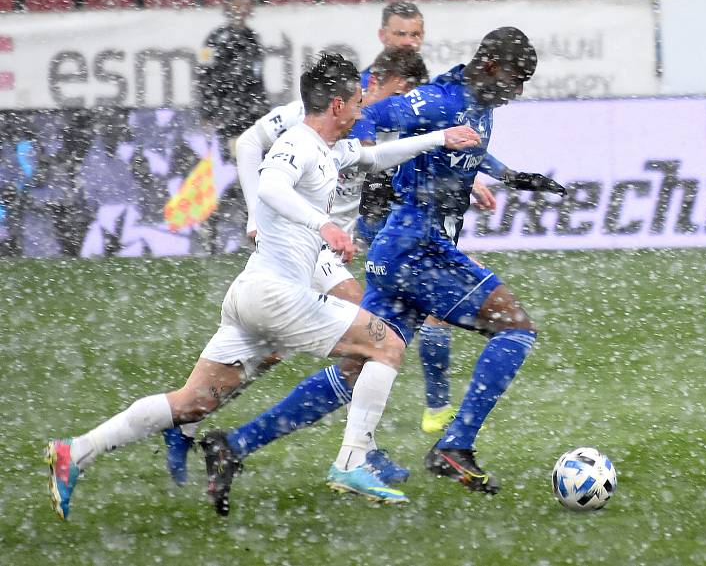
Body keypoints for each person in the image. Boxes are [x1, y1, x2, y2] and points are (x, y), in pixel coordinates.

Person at [46, 53, 481, 520]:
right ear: (336, 105)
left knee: (192, 402)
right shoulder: (296, 143)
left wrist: (439, 138)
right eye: (356, 100)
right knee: (387, 345)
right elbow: (273, 186)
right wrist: (325, 226)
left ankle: (77, 452)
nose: (362, 109)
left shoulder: (329, 147)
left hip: (251, 293)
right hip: (277, 294)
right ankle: (352, 460)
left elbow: (373, 156)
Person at [161, 47, 431, 488]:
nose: (406, 102)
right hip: (306, 244)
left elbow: (379, 172)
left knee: (264, 354)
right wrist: (254, 213)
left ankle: (194, 425)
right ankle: (355, 455)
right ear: (375, 81)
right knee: (377, 339)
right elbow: (249, 143)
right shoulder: (314, 115)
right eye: (402, 91)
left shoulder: (377, 125)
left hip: (322, 246)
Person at [357, 27, 567, 494]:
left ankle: (238, 443)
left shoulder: (477, 104)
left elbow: (467, 143)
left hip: (409, 245)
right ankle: (455, 441)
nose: (517, 93)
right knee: (515, 327)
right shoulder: (437, 101)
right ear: (491, 66)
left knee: (362, 360)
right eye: (515, 81)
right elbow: (368, 113)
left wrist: (509, 175)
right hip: (417, 244)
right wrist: (366, 160)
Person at [358, 1, 498, 435]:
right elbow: (363, 143)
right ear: (382, 35)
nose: (409, 42)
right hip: (382, 213)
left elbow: (431, 140)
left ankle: (370, 431)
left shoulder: (418, 84)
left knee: (388, 327)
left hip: (410, 212)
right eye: (401, 35)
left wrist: (471, 175)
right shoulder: (370, 87)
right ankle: (432, 411)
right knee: (410, 318)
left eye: (415, 35)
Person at [197, 0, 268, 161]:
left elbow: (258, 78)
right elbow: (204, 75)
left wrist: (263, 109)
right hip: (227, 113)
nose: (241, 10)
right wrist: (207, 112)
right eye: (237, 4)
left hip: (251, 112)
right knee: (234, 161)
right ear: (228, 6)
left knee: (254, 160)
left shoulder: (253, 39)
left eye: (245, 5)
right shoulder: (214, 38)